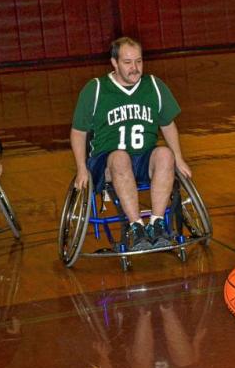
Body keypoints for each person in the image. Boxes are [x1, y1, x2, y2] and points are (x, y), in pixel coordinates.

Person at [70, 37, 192, 251]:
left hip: (143, 159)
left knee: (164, 154)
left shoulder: (154, 85)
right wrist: (81, 169)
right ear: (114, 63)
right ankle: (135, 227)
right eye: (127, 62)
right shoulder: (96, 89)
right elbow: (78, 132)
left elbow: (168, 125)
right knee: (120, 157)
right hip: (106, 163)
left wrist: (179, 159)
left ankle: (156, 224)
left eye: (139, 61)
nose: (135, 68)